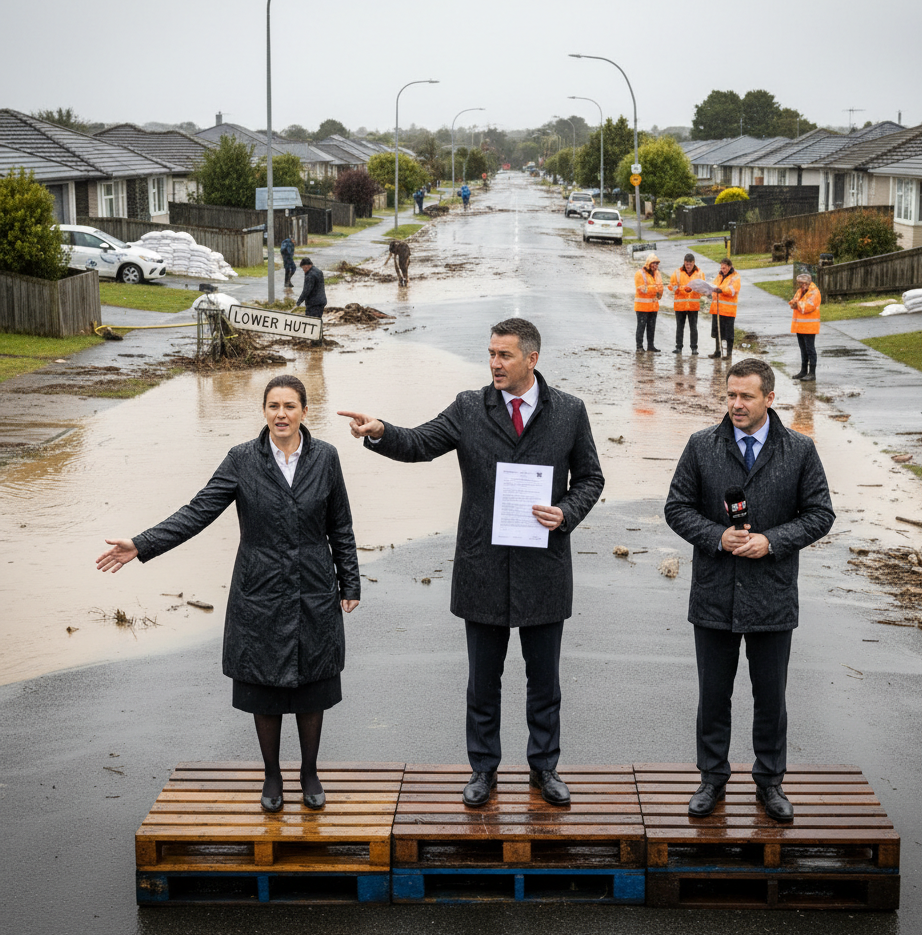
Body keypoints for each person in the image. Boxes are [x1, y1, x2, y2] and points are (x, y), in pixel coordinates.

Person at [338, 318, 604, 808]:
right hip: (483, 566)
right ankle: (483, 770)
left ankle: (544, 768)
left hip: (544, 569)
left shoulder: (568, 410)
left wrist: (566, 512)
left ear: (532, 359)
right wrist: (380, 432)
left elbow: (591, 477)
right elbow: (420, 442)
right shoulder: (469, 407)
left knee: (544, 682)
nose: (494, 364)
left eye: (504, 355)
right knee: (484, 683)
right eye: (490, 354)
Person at [95, 375, 361, 814]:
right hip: (259, 585)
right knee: (264, 680)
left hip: (314, 583)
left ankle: (309, 771)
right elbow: (198, 511)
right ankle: (273, 775)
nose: (281, 414)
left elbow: (341, 525)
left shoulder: (326, 458)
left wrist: (348, 581)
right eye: (273, 406)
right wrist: (142, 544)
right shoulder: (242, 460)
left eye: (290, 406)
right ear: (263, 411)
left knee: (314, 680)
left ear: (304, 412)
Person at [663, 358, 834, 822]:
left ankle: (770, 782)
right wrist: (718, 536)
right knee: (713, 695)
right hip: (715, 593)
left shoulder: (799, 449)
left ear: (769, 399)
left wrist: (772, 541)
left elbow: (821, 514)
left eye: (746, 396)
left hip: (772, 595)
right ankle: (712, 779)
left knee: (770, 696)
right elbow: (676, 508)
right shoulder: (702, 446)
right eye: (731, 396)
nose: (736, 405)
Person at [669, 253, 706, 354]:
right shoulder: (677, 272)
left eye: (690, 264)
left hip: (693, 306)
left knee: (693, 328)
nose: (688, 266)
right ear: (684, 263)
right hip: (680, 306)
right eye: (686, 264)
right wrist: (682, 289)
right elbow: (672, 286)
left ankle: (694, 348)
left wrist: (693, 290)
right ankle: (678, 347)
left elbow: (703, 289)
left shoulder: (700, 273)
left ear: (694, 263)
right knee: (679, 327)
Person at [789, 273, 821, 381]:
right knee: (803, 349)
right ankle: (803, 371)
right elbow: (795, 300)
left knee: (810, 349)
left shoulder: (814, 292)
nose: (801, 285)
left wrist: (796, 305)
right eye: (799, 283)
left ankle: (812, 373)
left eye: (802, 283)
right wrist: (793, 303)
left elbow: (809, 306)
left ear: (807, 283)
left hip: (810, 326)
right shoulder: (801, 291)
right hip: (801, 326)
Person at [708, 257, 740, 360]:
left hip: (728, 310)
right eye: (722, 267)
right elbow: (714, 285)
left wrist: (720, 290)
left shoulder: (735, 277)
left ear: (730, 267)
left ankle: (728, 354)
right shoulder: (719, 275)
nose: (723, 269)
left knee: (729, 334)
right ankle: (717, 351)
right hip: (717, 309)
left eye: (725, 268)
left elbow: (733, 290)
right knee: (717, 331)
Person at [634, 255, 664, 352]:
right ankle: (639, 347)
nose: (655, 265)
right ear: (648, 263)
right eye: (653, 263)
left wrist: (659, 293)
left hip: (653, 306)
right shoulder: (639, 274)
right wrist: (655, 289)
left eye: (657, 263)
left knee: (651, 327)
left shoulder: (657, 274)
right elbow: (642, 289)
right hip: (642, 307)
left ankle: (650, 346)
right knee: (641, 327)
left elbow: (660, 288)